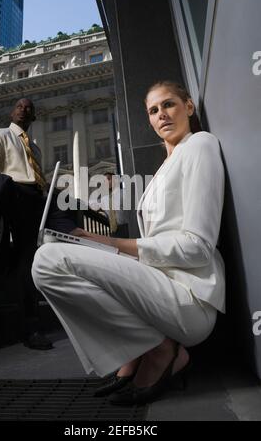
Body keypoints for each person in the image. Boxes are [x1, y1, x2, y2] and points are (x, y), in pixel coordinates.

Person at [31, 81, 225, 404]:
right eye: (153, 110)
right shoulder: (164, 169)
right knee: (46, 261)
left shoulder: (201, 145)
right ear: (148, 120)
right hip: (161, 289)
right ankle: (138, 352)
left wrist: (114, 243)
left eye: (169, 105)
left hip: (191, 298)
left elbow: (198, 247)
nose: (161, 114)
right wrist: (97, 246)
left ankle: (160, 349)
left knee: (48, 261)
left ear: (188, 107)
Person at [0, 98, 80, 350]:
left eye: (29, 108)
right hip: (14, 197)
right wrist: (2, 186)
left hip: (35, 201)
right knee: (23, 263)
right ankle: (30, 328)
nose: (23, 109)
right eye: (19, 105)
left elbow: (32, 176)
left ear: (34, 117)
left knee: (41, 256)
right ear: (11, 111)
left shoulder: (35, 149)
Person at [89, 171, 129, 238]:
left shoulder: (125, 193)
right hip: (114, 232)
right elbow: (90, 204)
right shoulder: (104, 200)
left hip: (128, 227)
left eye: (108, 179)